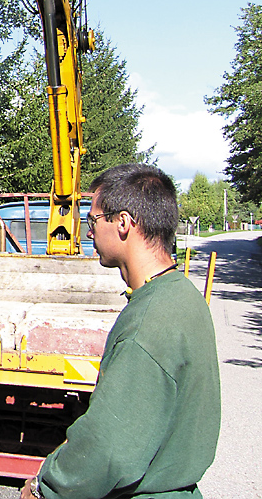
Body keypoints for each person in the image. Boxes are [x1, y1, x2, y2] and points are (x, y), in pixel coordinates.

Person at [21, 163, 221, 499]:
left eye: (93, 221)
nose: (88, 233)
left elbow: (106, 447)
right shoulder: (183, 296)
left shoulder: (148, 323)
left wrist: (46, 490)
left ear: (124, 223)